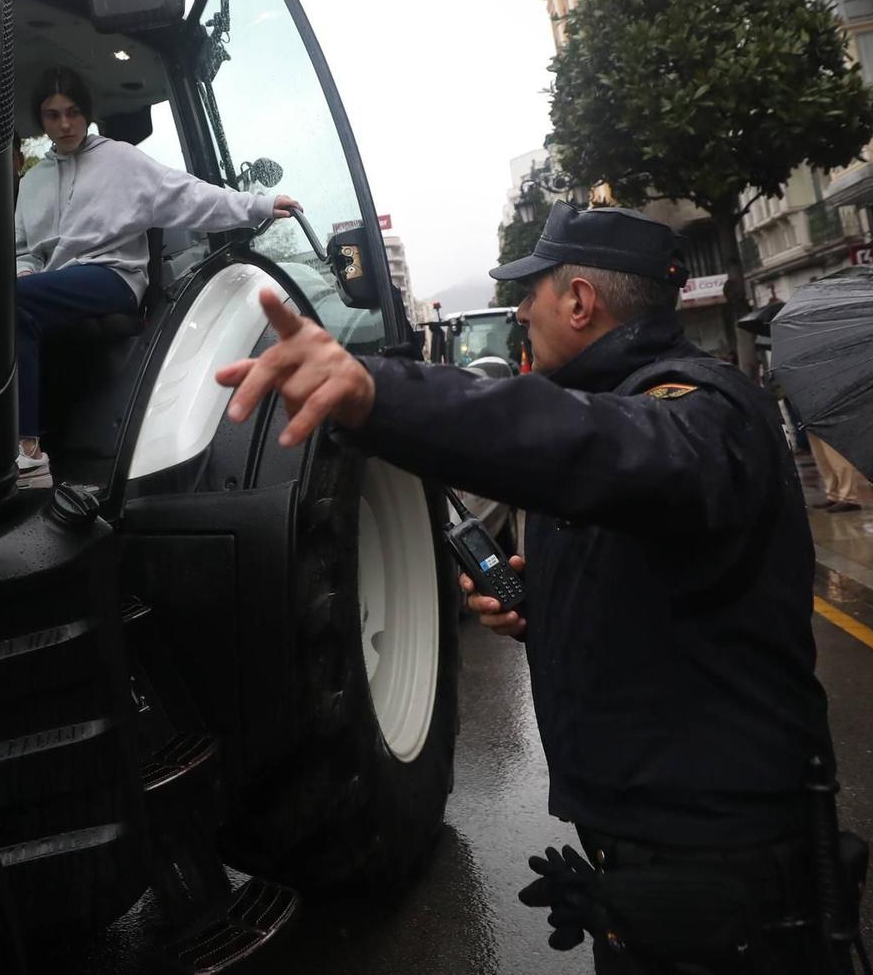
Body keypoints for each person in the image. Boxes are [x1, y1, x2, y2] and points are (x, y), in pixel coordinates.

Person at [214, 201, 836, 973]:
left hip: (719, 862)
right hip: (656, 851)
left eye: (529, 291)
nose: (519, 310)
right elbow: (668, 584)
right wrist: (547, 601)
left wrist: (377, 394)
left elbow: (606, 450)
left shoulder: (702, 409)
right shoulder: (627, 406)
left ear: (578, 299)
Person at [13, 67, 299, 487]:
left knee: (12, 302)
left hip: (111, 277)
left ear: (87, 114)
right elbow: (23, 250)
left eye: (72, 112)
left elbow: (189, 195)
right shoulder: (32, 181)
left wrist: (259, 204)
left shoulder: (120, 160)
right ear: (42, 120)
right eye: (53, 115)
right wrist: (24, 274)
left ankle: (28, 452)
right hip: (55, 285)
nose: (65, 124)